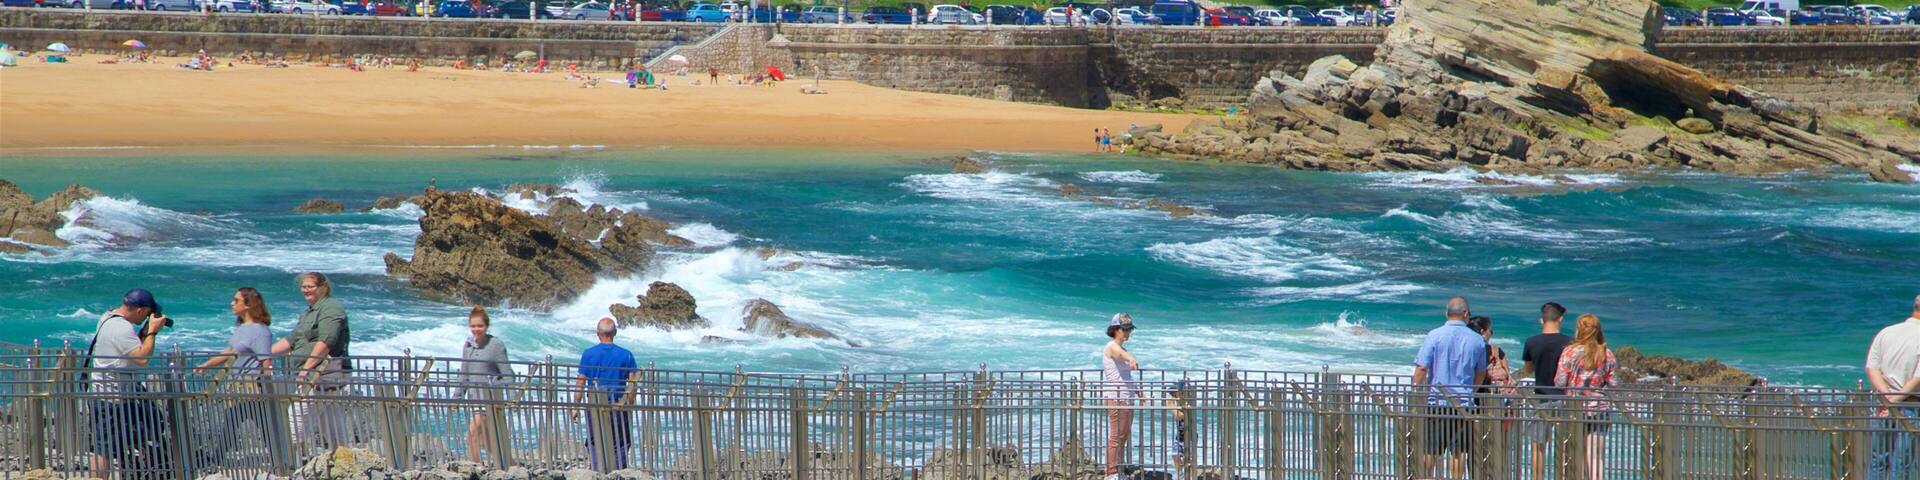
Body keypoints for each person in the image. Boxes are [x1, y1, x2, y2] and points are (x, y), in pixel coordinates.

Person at [88, 289, 171, 480]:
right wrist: (151, 332)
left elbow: (128, 350)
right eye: (148, 314)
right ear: (141, 310)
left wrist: (142, 332)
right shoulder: (122, 328)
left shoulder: (108, 317)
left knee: (142, 431)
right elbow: (142, 358)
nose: (147, 318)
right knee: (104, 447)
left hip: (115, 394)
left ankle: (140, 470)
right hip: (111, 397)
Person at [192, 287, 276, 468]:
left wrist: (267, 388)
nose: (232, 303)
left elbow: (266, 361)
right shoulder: (243, 329)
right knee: (236, 422)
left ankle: (280, 460)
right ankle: (217, 459)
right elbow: (229, 352)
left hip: (253, 386)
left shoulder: (260, 331)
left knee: (259, 425)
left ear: (248, 305)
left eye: (236, 300)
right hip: (238, 386)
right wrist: (206, 365)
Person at [271, 272, 353, 449]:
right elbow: (292, 340)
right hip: (319, 375)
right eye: (303, 286)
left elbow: (327, 340)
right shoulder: (309, 312)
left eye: (310, 286)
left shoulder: (331, 308)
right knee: (331, 423)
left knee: (295, 419)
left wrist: (307, 368)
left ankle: (286, 463)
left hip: (322, 374)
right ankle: (345, 461)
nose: (305, 290)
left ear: (323, 287)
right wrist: (262, 354)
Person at [1411, 296, 1487, 479]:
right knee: (1459, 451)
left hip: (1437, 402)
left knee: (1431, 449)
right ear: (1466, 314)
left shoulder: (1434, 335)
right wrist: (1472, 391)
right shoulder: (1477, 340)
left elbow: (1422, 368)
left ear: (1447, 313)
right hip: (1463, 404)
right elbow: (1481, 372)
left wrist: (1414, 392)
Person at [1554, 314, 1618, 480]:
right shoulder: (1607, 353)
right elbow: (1614, 384)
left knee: (1572, 455)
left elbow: (1560, 382)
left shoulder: (1569, 352)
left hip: (1574, 409)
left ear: (1579, 330)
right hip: (1600, 409)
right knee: (1596, 457)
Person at [1866, 294, 1920, 480]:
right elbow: (1917, 378)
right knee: (1902, 463)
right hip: (1912, 405)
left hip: (1884, 404)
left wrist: (1887, 397)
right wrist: (1896, 400)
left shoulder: (1886, 332)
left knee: (1877, 459)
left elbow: (1872, 368)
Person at [574, 317, 638, 471]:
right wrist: (630, 403)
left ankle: (598, 470)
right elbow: (632, 384)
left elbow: (580, 382)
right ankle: (618, 472)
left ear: (598, 334)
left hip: (594, 403)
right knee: (621, 441)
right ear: (614, 333)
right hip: (618, 403)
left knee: (595, 439)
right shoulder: (626, 355)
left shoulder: (589, 354)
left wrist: (575, 406)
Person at [1517, 301, 1571, 480]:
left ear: (1542, 320)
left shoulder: (1532, 342)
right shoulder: (1569, 343)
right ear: (1560, 319)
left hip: (1540, 398)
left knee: (1538, 446)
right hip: (1565, 399)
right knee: (1565, 444)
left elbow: (1528, 370)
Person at [455, 306, 512, 463]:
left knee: (471, 434)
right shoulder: (467, 346)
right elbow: (464, 374)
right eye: (473, 326)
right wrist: (457, 397)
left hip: (491, 401)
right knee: (486, 442)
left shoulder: (496, 345)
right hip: (475, 399)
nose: (476, 329)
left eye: (480, 326)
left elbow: (508, 375)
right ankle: (511, 464)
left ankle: (474, 469)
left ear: (487, 326)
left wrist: (499, 388)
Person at [1101, 313, 1141, 480]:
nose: (1127, 333)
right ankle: (1111, 472)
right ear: (1115, 329)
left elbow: (1126, 376)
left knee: (1123, 435)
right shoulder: (1112, 346)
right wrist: (1131, 358)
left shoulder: (1122, 348)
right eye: (1124, 329)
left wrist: (1138, 391)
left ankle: (1119, 468)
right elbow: (1122, 356)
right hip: (1116, 397)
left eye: (1129, 329)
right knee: (1117, 436)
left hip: (1126, 397)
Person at [1165, 378, 1192, 475]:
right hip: (1180, 435)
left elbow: (1180, 416)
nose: (1173, 396)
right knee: (1175, 455)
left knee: (1188, 459)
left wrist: (1171, 405)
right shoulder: (1180, 404)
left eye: (1174, 394)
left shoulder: (1189, 404)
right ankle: (1180, 474)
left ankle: (1189, 475)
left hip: (1189, 436)